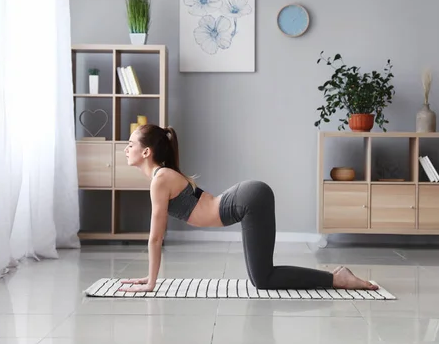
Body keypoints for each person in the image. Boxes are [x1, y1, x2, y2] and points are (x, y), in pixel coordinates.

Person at [118, 124, 379, 293]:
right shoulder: (162, 176)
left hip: (248, 200)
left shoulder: (160, 179)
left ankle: (337, 278)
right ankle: (336, 277)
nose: (126, 148)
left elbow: (155, 237)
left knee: (263, 279)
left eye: (131, 144)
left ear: (146, 152)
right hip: (246, 199)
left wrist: (151, 282)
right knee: (260, 278)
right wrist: (150, 278)